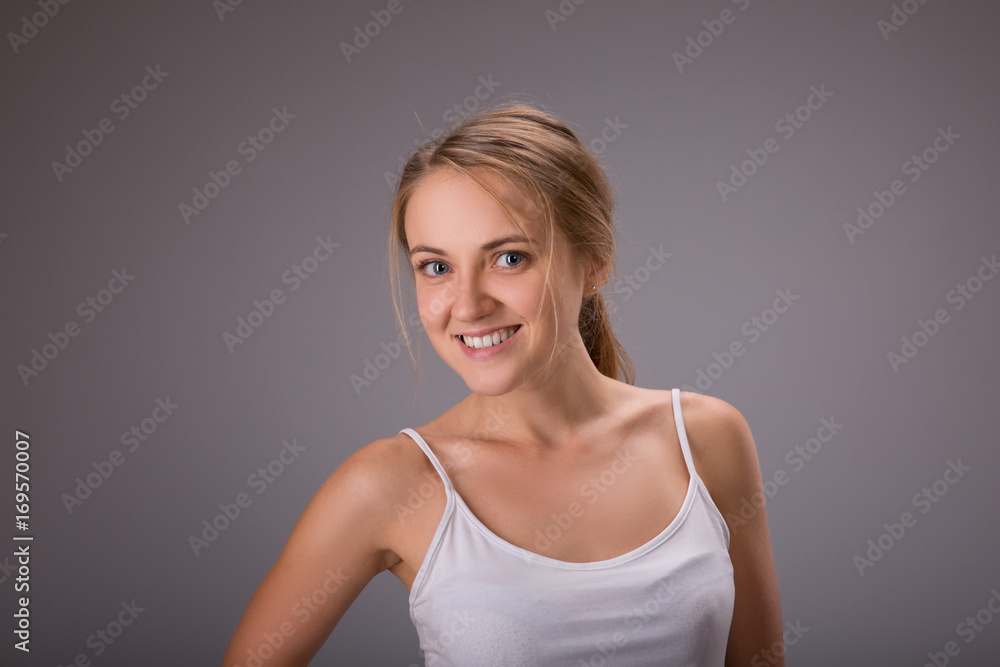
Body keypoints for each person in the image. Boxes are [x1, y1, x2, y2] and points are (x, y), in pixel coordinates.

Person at [221, 100, 783, 666]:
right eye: (435, 267)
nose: (467, 305)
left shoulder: (707, 440)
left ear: (593, 261)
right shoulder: (391, 482)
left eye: (509, 258)